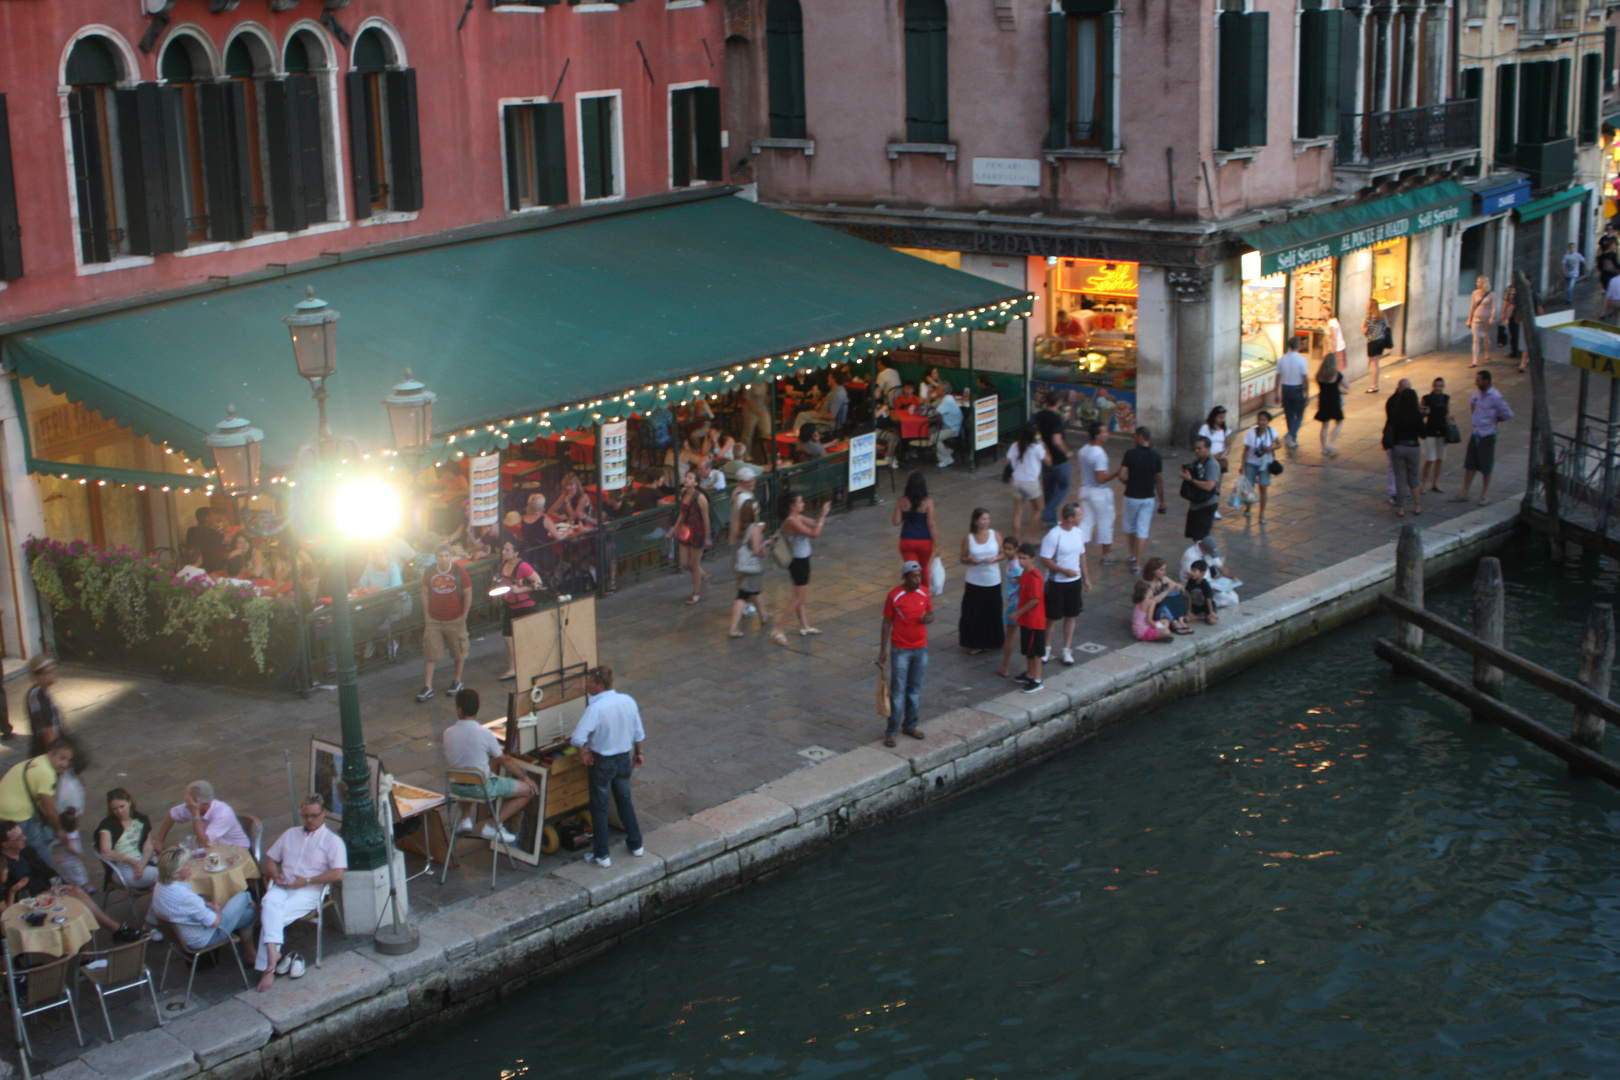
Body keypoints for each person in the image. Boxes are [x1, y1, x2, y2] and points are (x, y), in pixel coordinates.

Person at [255, 794, 347, 991]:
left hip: (309, 889)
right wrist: (274, 874)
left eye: (314, 815)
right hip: (284, 884)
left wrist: (306, 880)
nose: (309, 820)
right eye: (306, 815)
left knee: (272, 916)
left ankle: (268, 969)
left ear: (323, 813)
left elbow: (338, 873)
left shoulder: (332, 841)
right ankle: (273, 953)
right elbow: (270, 858)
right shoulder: (291, 833)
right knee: (269, 903)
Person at [570, 666, 645, 869]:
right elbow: (638, 733)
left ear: (599, 685)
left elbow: (577, 737)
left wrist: (584, 752)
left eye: (590, 682)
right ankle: (636, 844)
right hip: (623, 759)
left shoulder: (595, 709)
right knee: (624, 801)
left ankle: (602, 854)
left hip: (602, 762)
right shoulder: (628, 701)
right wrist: (638, 753)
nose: (587, 685)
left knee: (599, 808)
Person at [443, 687, 538, 842]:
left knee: (466, 768)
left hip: (456, 787)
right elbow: (504, 760)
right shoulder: (484, 734)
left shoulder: (447, 733)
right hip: (482, 788)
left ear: (459, 710)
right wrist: (524, 777)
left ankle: (465, 819)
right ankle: (492, 826)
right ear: (477, 710)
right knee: (527, 792)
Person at [152, 847, 258, 969]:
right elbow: (215, 922)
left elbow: (186, 909)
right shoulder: (186, 897)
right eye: (187, 864)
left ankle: (251, 954)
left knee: (249, 915)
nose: (190, 864)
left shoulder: (159, 885)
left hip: (180, 935)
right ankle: (257, 912)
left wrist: (206, 906)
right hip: (204, 937)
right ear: (176, 872)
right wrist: (216, 909)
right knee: (244, 896)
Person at [876, 560, 933, 745]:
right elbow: (887, 622)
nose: (918, 579)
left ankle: (910, 724)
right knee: (898, 692)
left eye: (919, 576)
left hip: (920, 648)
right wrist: (883, 649)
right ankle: (891, 731)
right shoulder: (894, 596)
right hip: (901, 649)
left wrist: (928, 618)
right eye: (914, 576)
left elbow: (931, 613)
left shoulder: (924, 592)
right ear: (905, 577)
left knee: (915, 689)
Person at [0, 737, 77, 867]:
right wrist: (59, 829)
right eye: (62, 758)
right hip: (15, 814)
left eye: (68, 760)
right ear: (50, 753)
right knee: (38, 846)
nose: (65, 764)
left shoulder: (39, 761)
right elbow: (49, 809)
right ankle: (51, 879)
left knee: (39, 835)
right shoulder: (46, 773)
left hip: (7, 808)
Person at [417, 541, 472, 704]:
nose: (444, 559)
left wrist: (464, 615)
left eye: (447, 556)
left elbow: (468, 593)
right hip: (434, 618)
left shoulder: (459, 571)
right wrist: (426, 613)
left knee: (458, 650)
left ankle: (457, 680)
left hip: (455, 618)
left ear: (451, 556)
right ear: (436, 557)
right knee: (430, 652)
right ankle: (427, 685)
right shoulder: (429, 572)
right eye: (441, 556)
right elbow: (425, 593)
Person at [772, 492, 830, 644]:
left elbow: (815, 523)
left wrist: (821, 516)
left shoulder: (798, 517)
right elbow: (815, 533)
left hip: (801, 560)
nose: (803, 504)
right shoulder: (792, 521)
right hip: (799, 562)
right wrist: (823, 514)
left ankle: (804, 626)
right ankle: (779, 629)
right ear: (792, 506)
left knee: (799, 596)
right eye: (800, 502)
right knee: (799, 598)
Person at [1451, 368, 1515, 505]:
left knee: (1486, 466)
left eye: (1478, 381)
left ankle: (1484, 494)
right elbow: (1473, 404)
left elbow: (1508, 414)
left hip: (1487, 434)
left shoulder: (1495, 397)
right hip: (1476, 433)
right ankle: (1465, 492)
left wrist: (1495, 420)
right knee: (1470, 464)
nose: (1476, 383)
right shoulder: (1477, 395)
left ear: (1486, 381)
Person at [1038, 502, 1089, 667]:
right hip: (1056, 582)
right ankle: (1046, 648)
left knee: (1071, 616)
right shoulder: (1054, 535)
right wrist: (1062, 570)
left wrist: (1086, 579)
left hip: (1074, 582)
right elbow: (1045, 559)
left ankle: (1066, 649)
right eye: (1079, 515)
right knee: (1052, 617)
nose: (1082, 518)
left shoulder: (1079, 533)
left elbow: (1082, 556)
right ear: (1070, 518)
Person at [153, 779, 252, 851]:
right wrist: (159, 841)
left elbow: (204, 843)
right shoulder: (193, 806)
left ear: (205, 804)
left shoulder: (223, 814)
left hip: (237, 851)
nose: (187, 805)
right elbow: (171, 815)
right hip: (215, 848)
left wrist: (195, 814)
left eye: (190, 801)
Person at [956, 508, 1004, 655]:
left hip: (992, 579)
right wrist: (971, 560)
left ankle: (994, 640)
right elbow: (962, 558)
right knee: (974, 613)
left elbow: (1004, 553)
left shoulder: (995, 535)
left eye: (988, 519)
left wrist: (994, 559)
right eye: (983, 519)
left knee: (993, 611)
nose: (986, 522)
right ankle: (975, 643)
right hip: (974, 580)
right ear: (976, 521)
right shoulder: (969, 538)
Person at [1118, 426, 1164, 574]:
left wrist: (1127, 482)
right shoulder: (1156, 456)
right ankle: (1138, 564)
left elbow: (1121, 474)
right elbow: (1158, 480)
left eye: (1135, 436)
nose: (1134, 439)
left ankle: (1132, 554)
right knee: (1142, 531)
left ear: (1140, 437)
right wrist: (1162, 501)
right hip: (1148, 498)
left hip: (1131, 497)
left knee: (1131, 527)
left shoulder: (1130, 454)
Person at [1072, 421, 1118, 566]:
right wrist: (1116, 473)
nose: (1107, 434)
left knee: (1085, 523)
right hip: (1099, 493)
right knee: (1105, 523)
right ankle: (1106, 554)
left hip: (1085, 490)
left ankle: (1076, 553)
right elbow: (1101, 478)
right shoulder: (1100, 455)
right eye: (1104, 431)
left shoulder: (1084, 450)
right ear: (1097, 435)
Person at [496, 539, 542, 681]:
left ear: (516, 553)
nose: (503, 552)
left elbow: (539, 583)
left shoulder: (523, 566)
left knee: (528, 637)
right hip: (510, 605)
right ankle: (513, 668)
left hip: (526, 606)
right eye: (504, 549)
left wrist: (520, 589)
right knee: (507, 636)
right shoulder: (505, 564)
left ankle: (535, 666)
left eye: (507, 550)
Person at [95, 787, 157, 890]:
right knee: (164, 877)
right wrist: (132, 862)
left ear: (129, 802)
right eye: (115, 809)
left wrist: (143, 863)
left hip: (144, 860)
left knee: (176, 868)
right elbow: (105, 852)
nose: (119, 811)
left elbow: (148, 846)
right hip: (123, 866)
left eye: (122, 806)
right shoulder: (107, 825)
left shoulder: (141, 819)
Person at [728, 499, 771, 638]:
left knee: (754, 591)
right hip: (752, 567)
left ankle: (763, 615)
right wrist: (766, 542)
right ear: (754, 512)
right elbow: (757, 550)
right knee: (743, 595)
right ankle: (733, 627)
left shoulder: (738, 525)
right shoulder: (754, 528)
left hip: (740, 564)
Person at [1385, 385, 1425, 517]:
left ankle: (1401, 507)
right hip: (1413, 447)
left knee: (1400, 478)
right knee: (1413, 477)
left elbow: (1390, 429)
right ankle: (1417, 505)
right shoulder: (1417, 415)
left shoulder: (1396, 414)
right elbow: (1423, 434)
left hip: (1398, 447)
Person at [1010, 544, 1046, 692]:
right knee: (1028, 650)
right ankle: (1030, 674)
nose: (1021, 561)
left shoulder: (1034, 577)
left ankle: (1037, 679)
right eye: (1019, 558)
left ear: (1032, 559)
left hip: (1034, 621)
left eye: (1024, 558)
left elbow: (1035, 600)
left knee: (1035, 652)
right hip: (1026, 620)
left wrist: (1017, 613)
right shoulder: (1024, 574)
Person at [675, 469, 713, 606]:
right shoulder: (684, 493)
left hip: (698, 532)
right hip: (686, 531)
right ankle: (701, 575)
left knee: (694, 564)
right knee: (684, 562)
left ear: (696, 482)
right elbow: (683, 512)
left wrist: (707, 537)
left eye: (690, 478)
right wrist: (676, 527)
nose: (687, 479)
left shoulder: (700, 498)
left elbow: (706, 519)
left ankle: (695, 593)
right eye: (686, 477)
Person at [1033, 393, 1071, 528]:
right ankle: (1048, 513)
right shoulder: (1056, 419)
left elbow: (1038, 435)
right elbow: (1057, 440)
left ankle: (1051, 522)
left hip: (1045, 457)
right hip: (1058, 459)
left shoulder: (1040, 415)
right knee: (1064, 486)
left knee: (1049, 489)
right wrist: (1067, 452)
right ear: (1059, 402)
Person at [1005, 422, 1047, 543]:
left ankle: (1016, 539)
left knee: (1018, 512)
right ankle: (1031, 536)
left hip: (1017, 481)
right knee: (1038, 509)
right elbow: (1048, 461)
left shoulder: (1015, 445)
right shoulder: (1037, 447)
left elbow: (1007, 463)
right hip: (1031, 482)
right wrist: (1043, 445)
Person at [994, 535, 1025, 680]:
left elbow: (1022, 584)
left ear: (1016, 549)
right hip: (1018, 603)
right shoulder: (1016, 563)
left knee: (1010, 637)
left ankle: (1005, 667)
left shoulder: (1014, 566)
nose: (1006, 551)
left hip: (1016, 605)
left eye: (1009, 549)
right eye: (1004, 548)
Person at [893, 471, 938, 570]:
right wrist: (936, 544)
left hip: (907, 541)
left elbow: (896, 522)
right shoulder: (928, 503)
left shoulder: (901, 501)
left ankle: (912, 585)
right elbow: (931, 524)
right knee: (924, 568)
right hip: (924, 541)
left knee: (912, 571)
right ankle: (924, 586)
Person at [1181, 436, 1221, 543]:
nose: (1197, 451)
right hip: (1196, 504)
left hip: (1207, 505)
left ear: (1208, 449)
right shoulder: (1197, 462)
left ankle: (1202, 558)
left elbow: (1210, 486)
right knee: (1194, 536)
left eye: (1200, 448)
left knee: (1201, 537)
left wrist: (1190, 480)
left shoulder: (1212, 464)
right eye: (1196, 448)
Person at [1241, 410, 1278, 525]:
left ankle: (1261, 513)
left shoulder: (1272, 432)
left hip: (1265, 464)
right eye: (1259, 420)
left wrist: (1271, 448)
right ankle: (1248, 507)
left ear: (1268, 421)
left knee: (1263, 488)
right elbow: (1246, 450)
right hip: (1251, 463)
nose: (1261, 422)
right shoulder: (1251, 433)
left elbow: (1279, 444)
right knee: (1250, 487)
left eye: (1264, 420)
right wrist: (1242, 465)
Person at [1277, 335, 1310, 449]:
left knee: (1289, 414)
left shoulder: (1282, 359)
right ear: (1299, 346)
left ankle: (1292, 438)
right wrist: (1307, 394)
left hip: (1285, 388)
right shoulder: (1302, 360)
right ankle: (1291, 435)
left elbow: (1278, 377)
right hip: (1297, 389)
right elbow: (1305, 378)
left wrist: (1277, 392)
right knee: (1299, 414)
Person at [1420, 377, 1452, 495]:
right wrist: (1425, 413)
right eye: (1436, 385)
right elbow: (1421, 414)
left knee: (1440, 458)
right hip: (1430, 430)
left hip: (1442, 430)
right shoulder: (1426, 398)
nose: (1438, 388)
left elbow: (1447, 411)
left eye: (1440, 386)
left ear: (1443, 387)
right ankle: (1423, 484)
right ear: (1433, 386)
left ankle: (1435, 483)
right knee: (1430, 458)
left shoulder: (1446, 398)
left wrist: (1449, 416)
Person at [50, 807, 88, 889]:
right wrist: (79, 854)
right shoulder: (72, 835)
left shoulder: (63, 834)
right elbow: (70, 847)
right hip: (72, 861)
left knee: (66, 877)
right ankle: (83, 889)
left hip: (64, 862)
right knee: (79, 876)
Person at [1315, 352, 1345, 456]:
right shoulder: (1337, 375)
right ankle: (1331, 443)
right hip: (1334, 401)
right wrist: (1340, 389)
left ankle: (1323, 448)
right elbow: (1347, 386)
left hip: (1323, 401)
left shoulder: (1319, 375)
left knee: (1324, 425)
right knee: (1339, 421)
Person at [185, 507, 226, 573]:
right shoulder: (212, 532)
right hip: (210, 566)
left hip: (193, 564)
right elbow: (225, 540)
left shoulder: (191, 531)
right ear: (207, 518)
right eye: (212, 516)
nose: (214, 518)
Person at [1465, 277, 1494, 370]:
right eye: (1477, 281)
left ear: (1484, 283)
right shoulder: (1475, 293)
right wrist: (1469, 319)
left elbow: (1493, 307)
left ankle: (1487, 354)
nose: (1477, 283)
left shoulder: (1492, 294)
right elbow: (1472, 307)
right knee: (1476, 339)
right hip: (1476, 318)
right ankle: (1475, 361)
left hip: (1486, 318)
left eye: (1479, 282)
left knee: (1486, 337)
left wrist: (1492, 318)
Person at [1365, 296, 1393, 391]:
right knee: (1376, 363)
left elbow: (1365, 330)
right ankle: (1375, 384)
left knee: (1373, 364)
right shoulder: (1382, 315)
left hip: (1372, 341)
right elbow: (1387, 326)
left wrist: (1363, 325)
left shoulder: (1369, 317)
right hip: (1381, 341)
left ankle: (1373, 385)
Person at [1197, 406, 1231, 475]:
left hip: (1220, 460)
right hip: (1207, 459)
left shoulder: (1225, 430)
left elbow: (1228, 444)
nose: (1222, 420)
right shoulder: (1205, 428)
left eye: (1223, 417)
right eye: (1220, 417)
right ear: (1214, 417)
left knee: (1218, 482)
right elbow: (1199, 442)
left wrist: (1225, 453)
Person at [933, 390, 963, 468]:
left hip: (953, 428)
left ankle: (946, 458)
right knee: (927, 431)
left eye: (938, 388)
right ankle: (946, 450)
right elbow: (932, 405)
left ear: (943, 391)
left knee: (934, 438)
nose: (936, 390)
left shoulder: (947, 400)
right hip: (947, 426)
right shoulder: (943, 399)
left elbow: (936, 412)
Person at [1185, 560, 1218, 624]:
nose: (1192, 573)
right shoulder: (1191, 582)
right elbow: (1189, 596)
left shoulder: (1204, 584)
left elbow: (1208, 598)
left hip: (1205, 606)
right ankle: (1202, 617)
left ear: (1202, 573)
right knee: (1186, 618)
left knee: (1212, 621)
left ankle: (1205, 616)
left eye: (1195, 571)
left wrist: (1211, 612)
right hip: (1196, 606)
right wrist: (1189, 610)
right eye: (1191, 570)